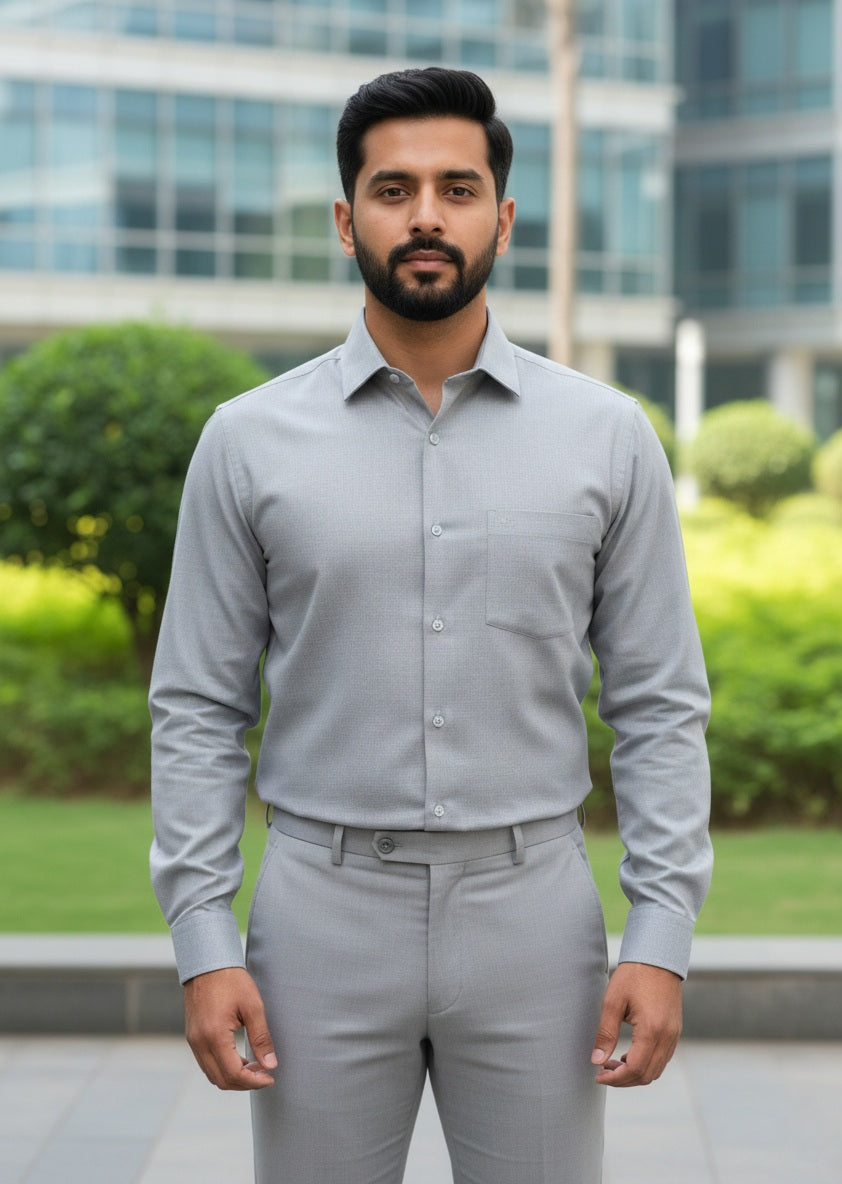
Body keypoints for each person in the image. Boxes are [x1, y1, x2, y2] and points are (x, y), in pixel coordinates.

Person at [150, 66, 712, 1184]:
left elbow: (659, 701)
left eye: (457, 189)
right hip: (318, 912)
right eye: (393, 188)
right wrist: (203, 939)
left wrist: (662, 935)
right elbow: (199, 706)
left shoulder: (608, 435)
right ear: (346, 218)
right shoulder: (247, 439)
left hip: (534, 914)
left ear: (502, 217)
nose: (424, 217)